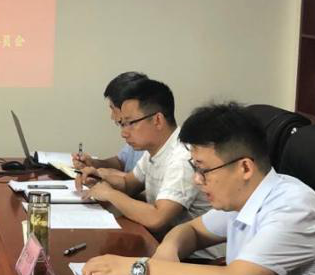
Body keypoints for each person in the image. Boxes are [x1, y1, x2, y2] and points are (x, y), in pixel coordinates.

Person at [83, 102, 315, 275]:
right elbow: (191, 230)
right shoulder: (241, 195)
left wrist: (142, 268)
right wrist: (169, 249)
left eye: (204, 169)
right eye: (194, 167)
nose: (197, 180)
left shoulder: (294, 209)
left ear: (245, 168)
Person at [75, 77, 215, 244]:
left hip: (192, 256)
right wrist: (98, 178)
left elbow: (157, 218)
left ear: (157, 120)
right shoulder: (155, 150)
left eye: (130, 123)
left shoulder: (182, 158)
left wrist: (109, 194)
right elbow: (128, 184)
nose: (124, 133)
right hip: (162, 243)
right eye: (122, 124)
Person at [70, 71, 147, 175]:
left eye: (112, 108)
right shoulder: (133, 133)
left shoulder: (150, 139)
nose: (112, 116)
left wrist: (107, 176)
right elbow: (121, 162)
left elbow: (143, 183)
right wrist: (93, 163)